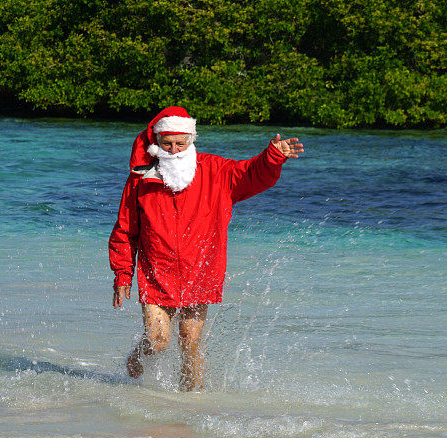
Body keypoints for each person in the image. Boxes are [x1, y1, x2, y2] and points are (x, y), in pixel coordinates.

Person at [109, 106, 303, 390]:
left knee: (190, 340)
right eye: (167, 143)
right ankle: (135, 362)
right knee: (158, 341)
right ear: (156, 142)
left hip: (200, 269)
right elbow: (126, 228)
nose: (174, 149)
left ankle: (191, 404)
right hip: (156, 269)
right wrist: (123, 273)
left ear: (191, 139)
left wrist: (273, 155)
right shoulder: (140, 177)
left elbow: (252, 173)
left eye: (180, 143)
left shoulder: (216, 170)